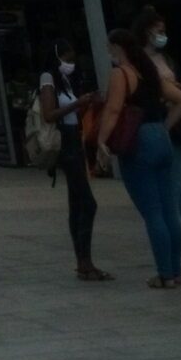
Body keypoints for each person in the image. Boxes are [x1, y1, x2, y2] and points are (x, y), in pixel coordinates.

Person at [94, 24, 181, 288]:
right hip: (161, 136)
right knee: (170, 209)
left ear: (117, 48)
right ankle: (175, 272)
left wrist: (101, 141)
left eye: (109, 48)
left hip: (139, 143)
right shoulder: (149, 72)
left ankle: (164, 274)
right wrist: (163, 128)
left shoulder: (120, 74)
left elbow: (113, 111)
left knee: (152, 211)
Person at [136, 6, 181, 275]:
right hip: (165, 124)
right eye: (159, 31)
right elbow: (151, 93)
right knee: (173, 190)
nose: (162, 35)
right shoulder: (142, 61)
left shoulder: (166, 58)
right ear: (147, 31)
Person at [37, 40, 107, 282]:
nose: (71, 64)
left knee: (77, 202)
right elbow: (49, 114)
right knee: (87, 202)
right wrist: (78, 103)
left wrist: (85, 104)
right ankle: (85, 262)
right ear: (58, 58)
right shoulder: (48, 79)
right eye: (67, 59)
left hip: (73, 139)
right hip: (65, 143)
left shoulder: (64, 81)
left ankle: (84, 263)